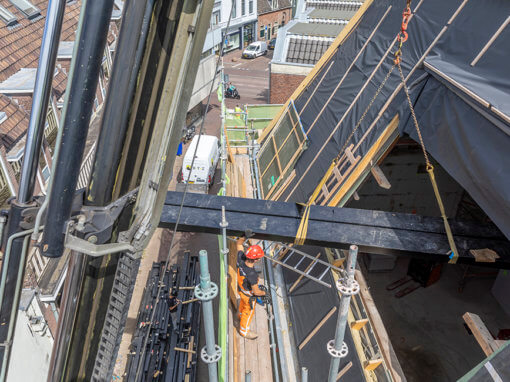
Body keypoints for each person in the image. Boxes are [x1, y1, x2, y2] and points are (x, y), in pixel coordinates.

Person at [236, 238, 266, 339]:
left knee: (242, 305)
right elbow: (256, 292)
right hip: (248, 296)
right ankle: (244, 332)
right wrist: (264, 293)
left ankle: (239, 316)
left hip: (240, 289)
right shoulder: (252, 274)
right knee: (248, 313)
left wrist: (244, 236)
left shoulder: (240, 259)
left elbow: (239, 243)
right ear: (256, 260)